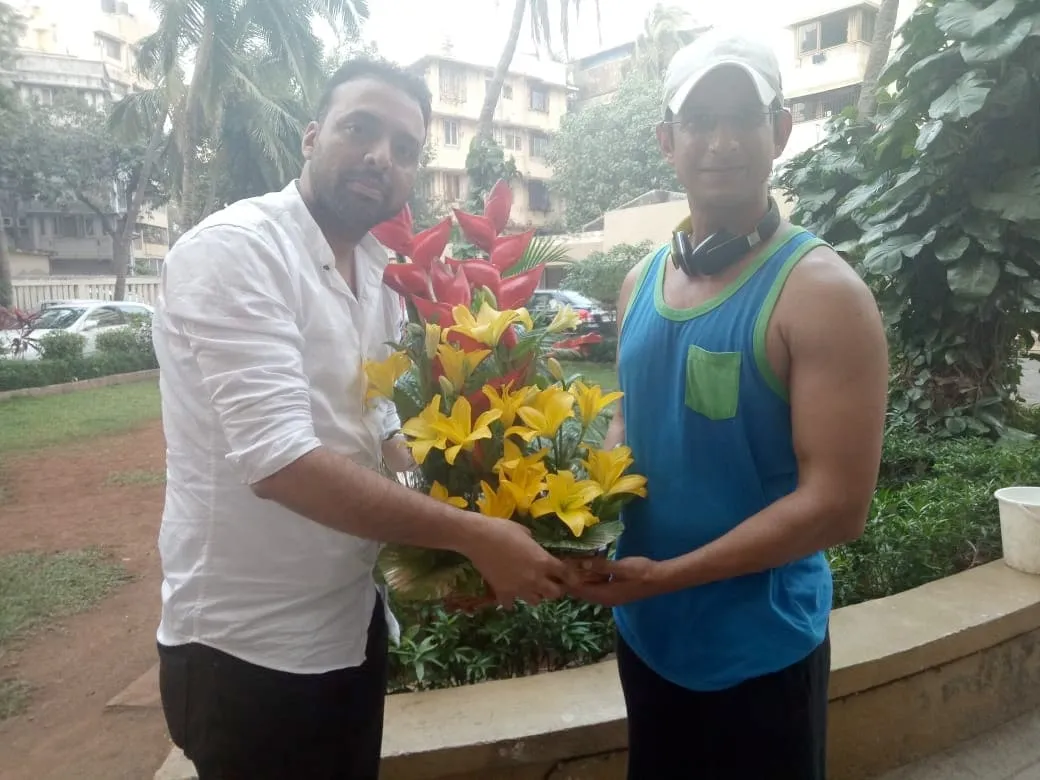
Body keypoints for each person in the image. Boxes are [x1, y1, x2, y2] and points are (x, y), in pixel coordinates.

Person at [152, 59, 574, 780]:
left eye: (405, 148)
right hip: (247, 652)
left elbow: (380, 427)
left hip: (350, 624)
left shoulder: (380, 274)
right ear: (312, 136)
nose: (382, 156)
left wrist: (456, 537)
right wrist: (474, 535)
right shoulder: (238, 250)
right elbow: (282, 464)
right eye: (360, 129)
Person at [569, 29, 889, 780]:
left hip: (761, 654)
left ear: (780, 130)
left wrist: (670, 576)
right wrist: (580, 519)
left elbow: (838, 507)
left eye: (744, 117)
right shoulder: (640, 281)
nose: (722, 141)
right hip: (648, 636)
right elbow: (629, 422)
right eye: (699, 120)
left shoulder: (823, 293)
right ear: (666, 140)